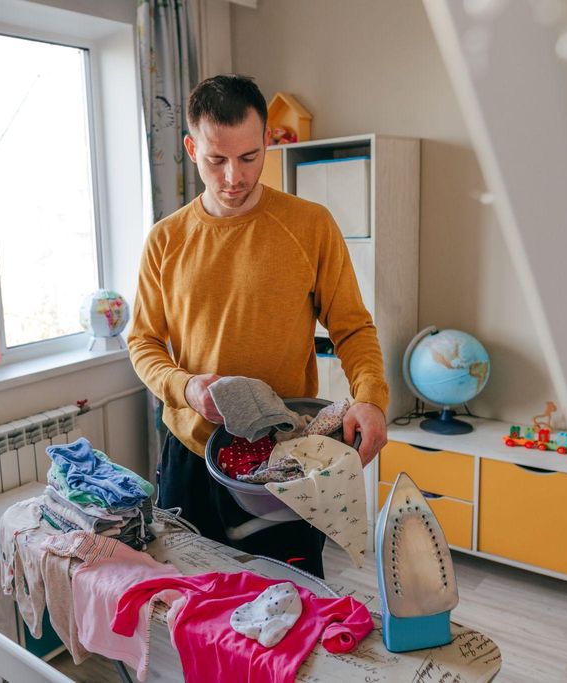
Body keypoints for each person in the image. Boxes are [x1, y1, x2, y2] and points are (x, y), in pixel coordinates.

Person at [127, 74, 389, 577]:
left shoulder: (311, 225)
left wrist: (371, 397)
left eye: (249, 158)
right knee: (194, 603)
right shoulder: (165, 239)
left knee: (292, 599)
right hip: (191, 452)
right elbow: (142, 342)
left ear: (266, 141)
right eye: (215, 159)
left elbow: (352, 328)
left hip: (286, 460)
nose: (233, 177)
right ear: (190, 148)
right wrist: (184, 386)